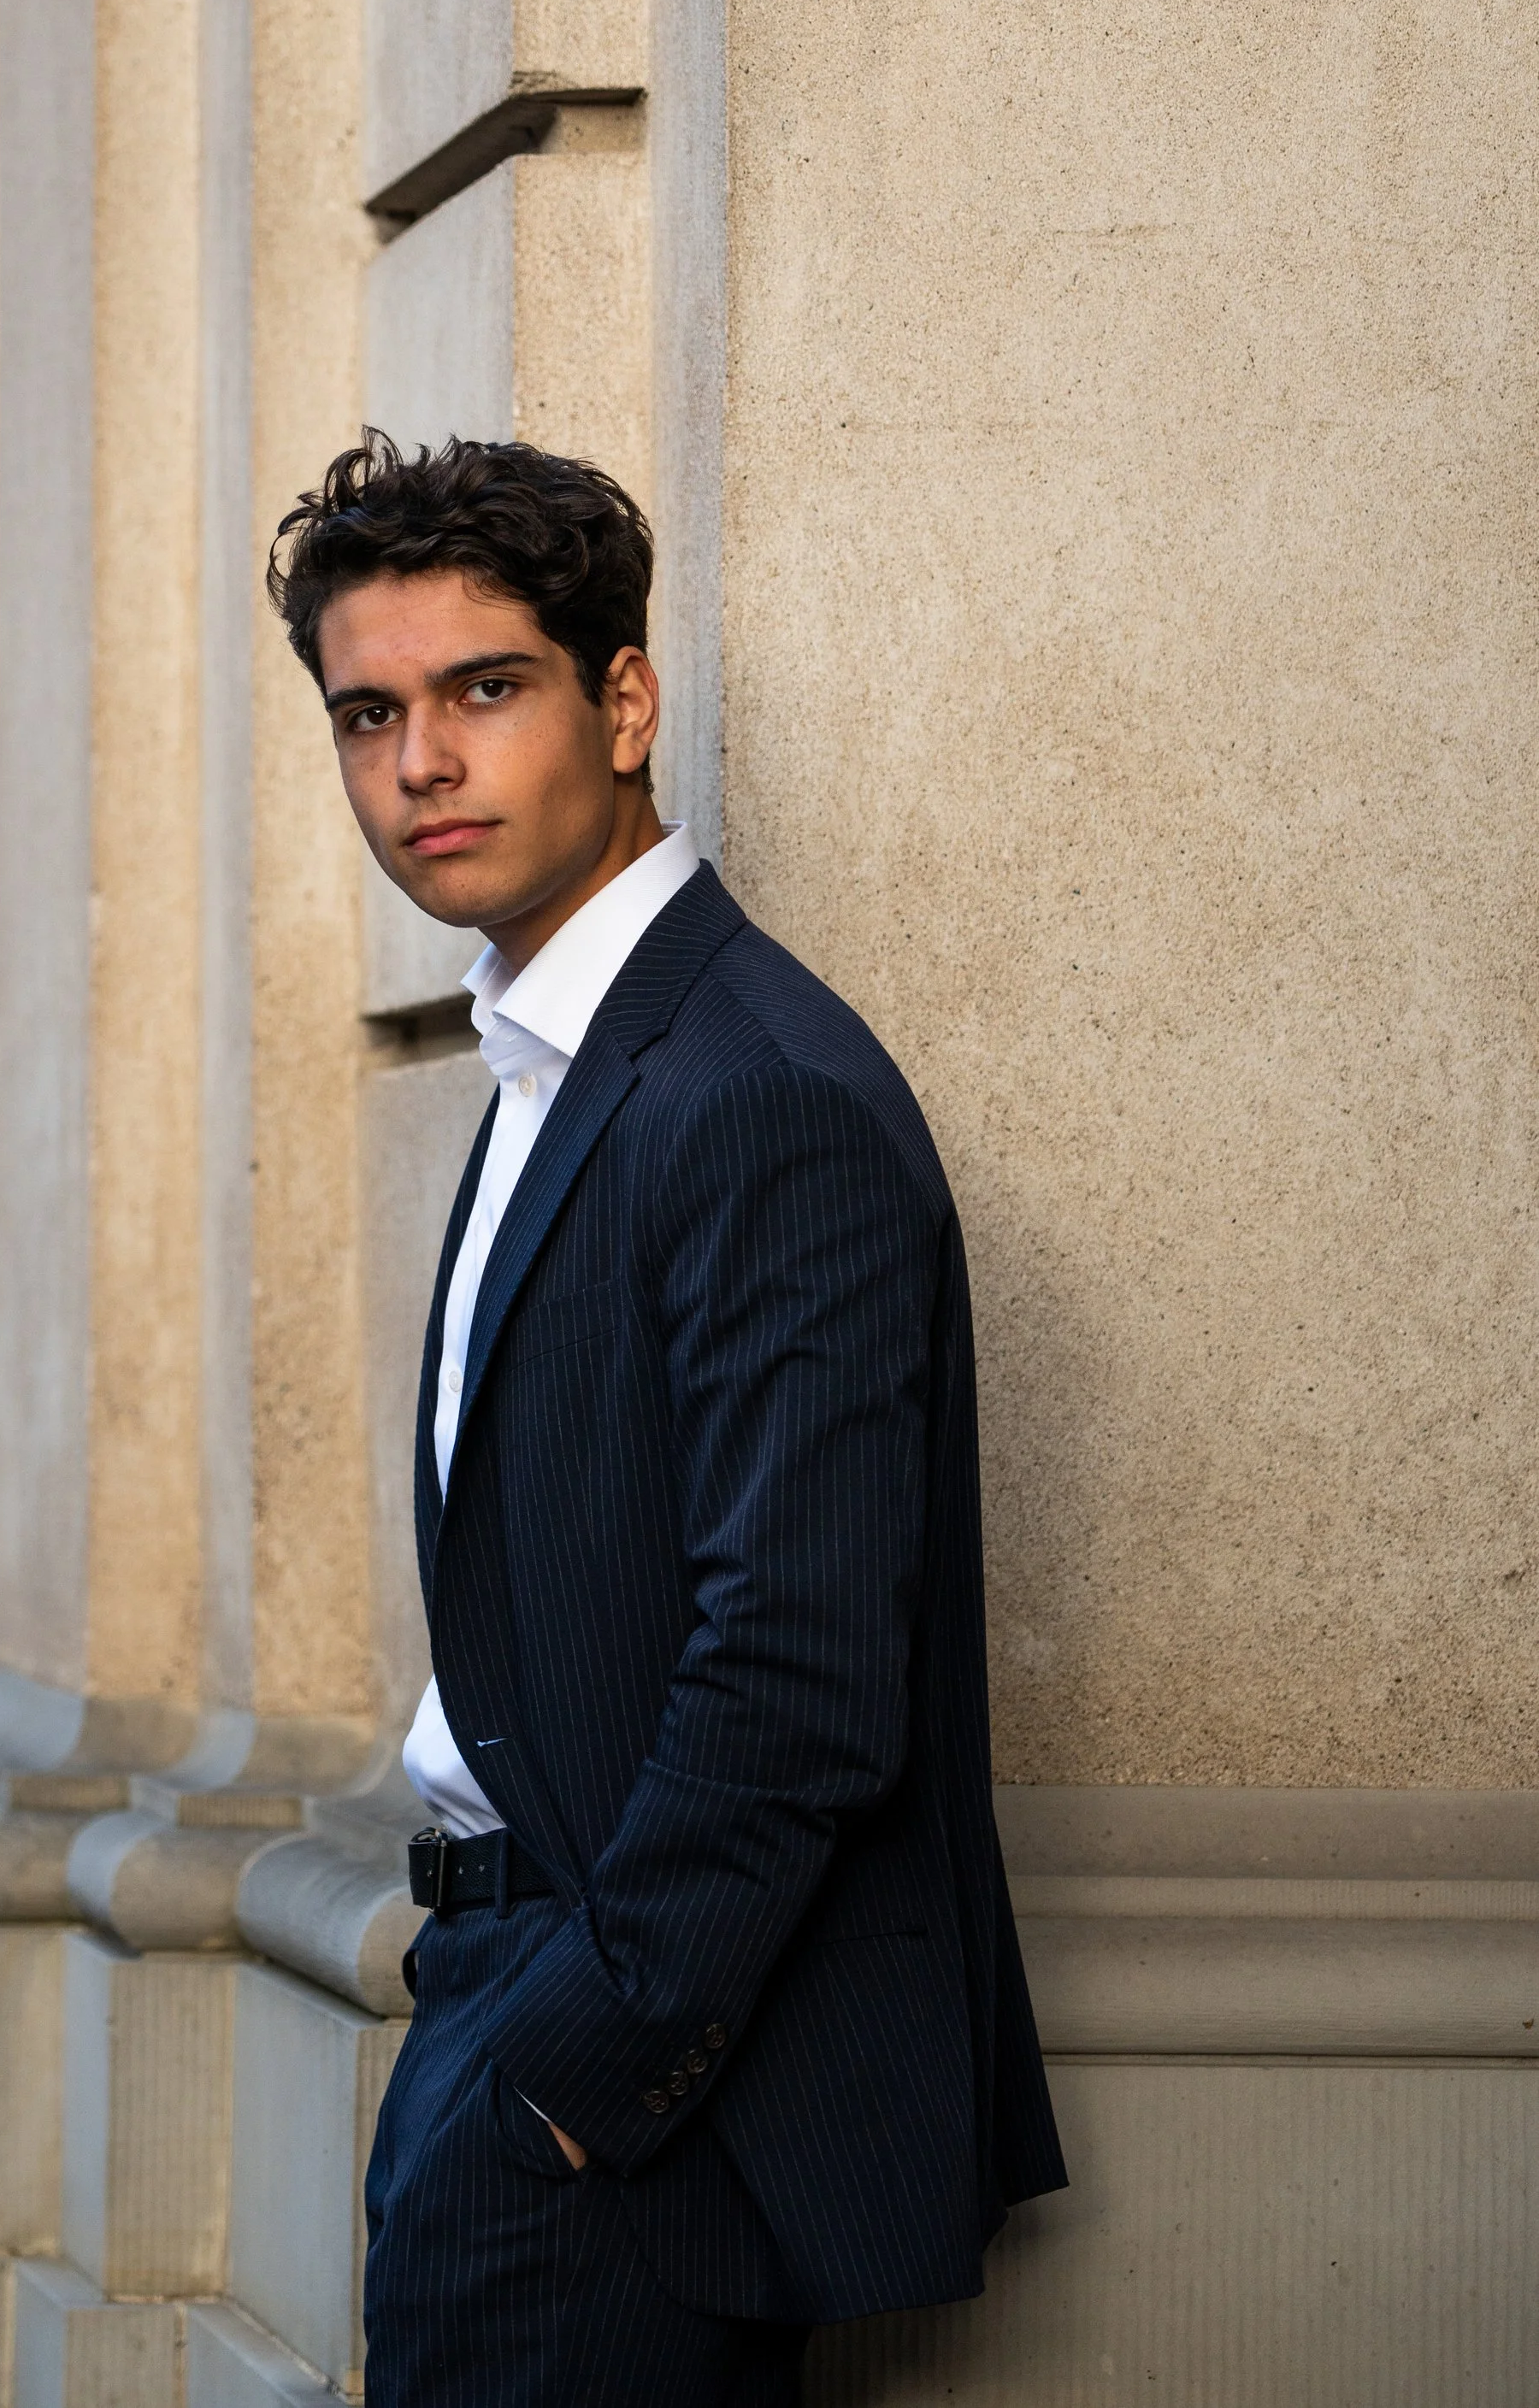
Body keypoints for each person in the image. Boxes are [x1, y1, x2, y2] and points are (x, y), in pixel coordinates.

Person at [268, 433, 1064, 2408]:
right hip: (503, 2000)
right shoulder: (559, 1058)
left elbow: (796, 1669)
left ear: (621, 703)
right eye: (369, 714)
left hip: (618, 2097)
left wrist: (577, 2075)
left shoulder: (751, 1089)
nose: (419, 765)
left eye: (483, 690)